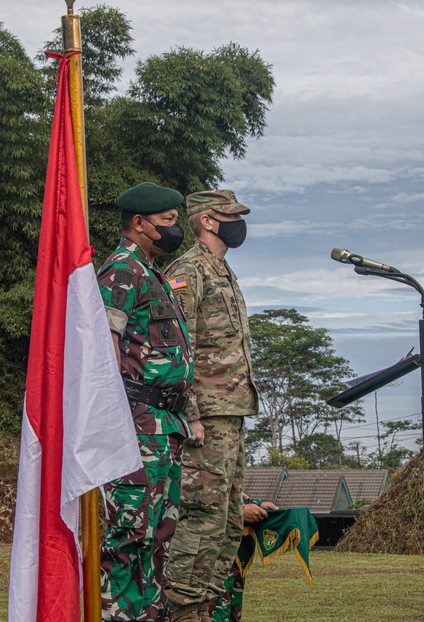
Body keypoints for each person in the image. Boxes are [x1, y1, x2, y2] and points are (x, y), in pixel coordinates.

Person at [97, 182, 195, 622]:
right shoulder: (122, 271)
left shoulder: (152, 273)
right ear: (139, 223)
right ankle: (121, 615)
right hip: (134, 427)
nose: (176, 231)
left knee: (159, 535)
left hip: (163, 425)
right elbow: (104, 349)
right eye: (168, 222)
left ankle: (149, 615)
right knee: (129, 535)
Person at [164, 190, 258, 622]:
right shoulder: (188, 270)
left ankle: (206, 609)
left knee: (226, 522)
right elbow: (176, 347)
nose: (238, 223)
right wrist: (190, 413)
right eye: (230, 216)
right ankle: (183, 610)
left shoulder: (222, 270)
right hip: (206, 417)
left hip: (231, 414)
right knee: (200, 519)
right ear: (206, 220)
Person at [209, 496, 279, 622]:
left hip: (230, 555)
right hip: (206, 556)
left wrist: (256, 505)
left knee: (231, 614)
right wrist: (239, 511)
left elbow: (230, 492)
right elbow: (189, 494)